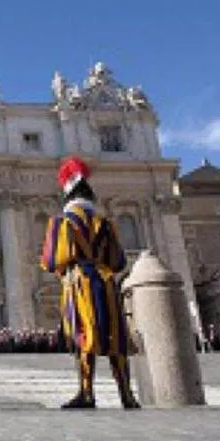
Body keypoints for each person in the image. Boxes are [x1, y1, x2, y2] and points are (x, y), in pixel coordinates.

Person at [40, 156, 140, 410]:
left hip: (79, 284)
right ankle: (126, 394)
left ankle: (86, 393)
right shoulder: (105, 224)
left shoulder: (63, 223)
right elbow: (118, 261)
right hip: (106, 284)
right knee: (114, 336)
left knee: (83, 334)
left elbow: (53, 259)